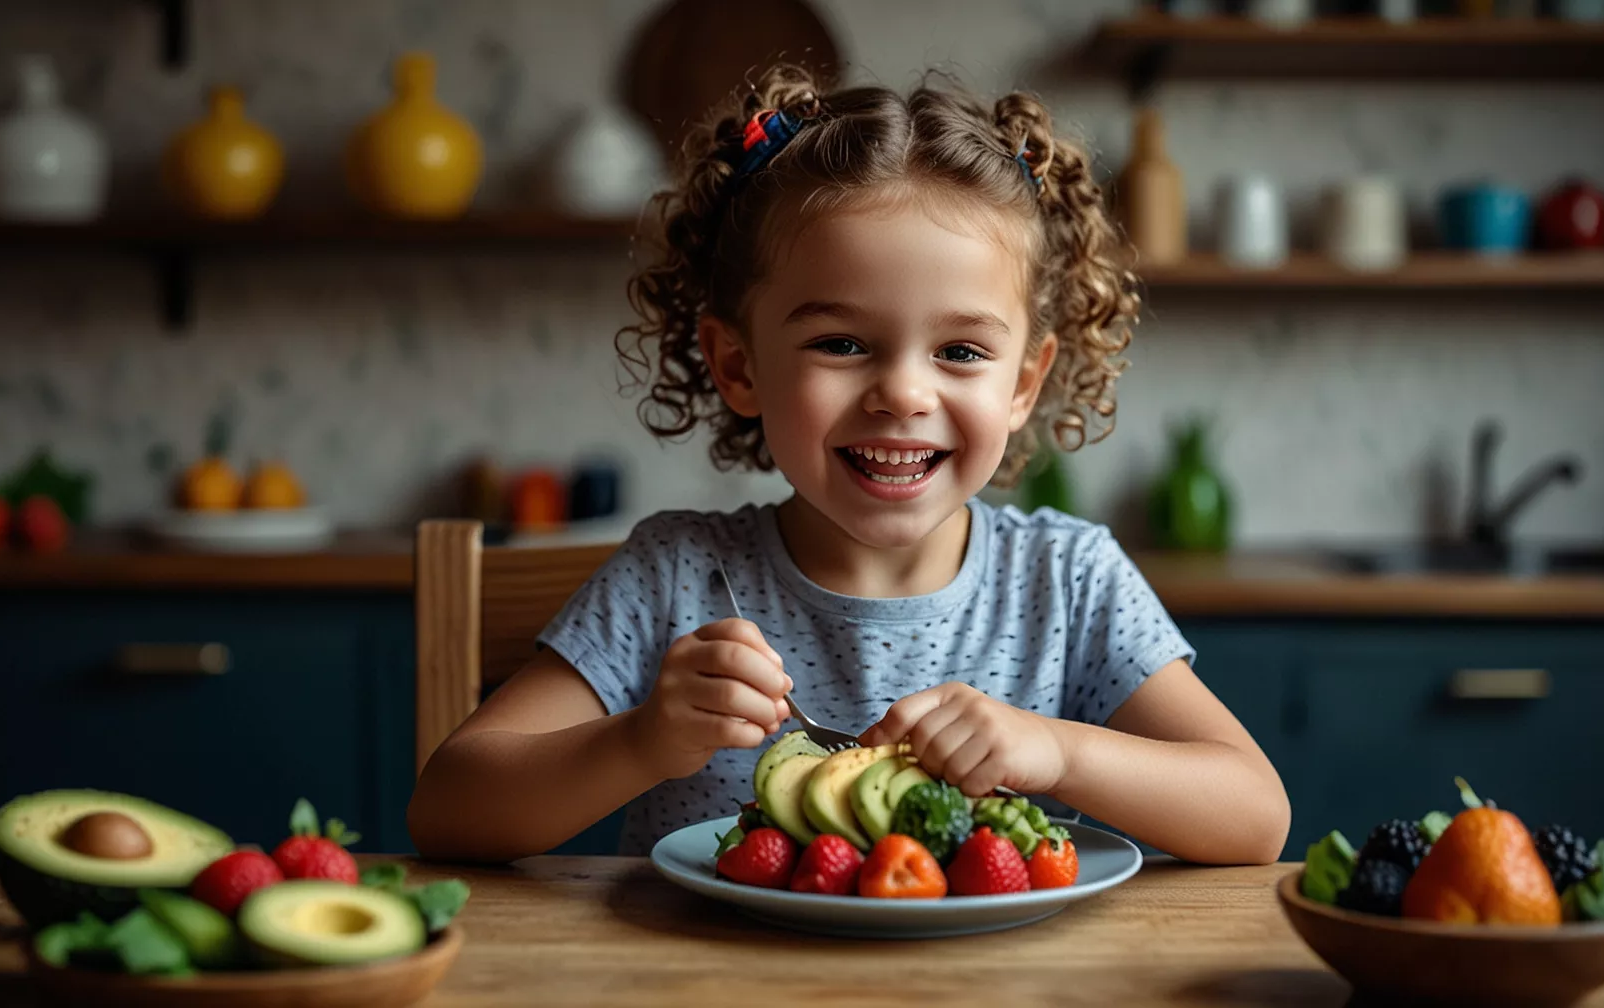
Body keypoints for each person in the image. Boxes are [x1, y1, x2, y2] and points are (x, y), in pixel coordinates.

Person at [408, 66, 1289, 865]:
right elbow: (447, 808)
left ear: (1025, 383)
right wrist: (641, 741)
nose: (903, 393)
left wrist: (1058, 750)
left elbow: (1255, 815)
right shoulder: (674, 576)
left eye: (960, 352)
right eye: (841, 343)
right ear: (739, 366)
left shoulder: (1068, 580)